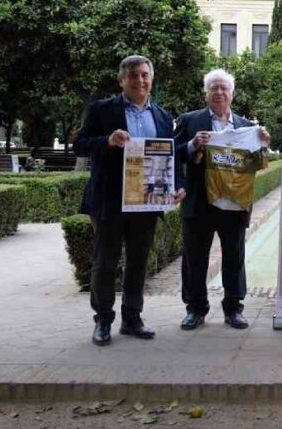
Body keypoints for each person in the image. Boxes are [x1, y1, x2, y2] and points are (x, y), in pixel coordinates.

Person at [74, 55, 186, 346]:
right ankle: (102, 321)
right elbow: (79, 145)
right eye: (133, 75)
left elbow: (171, 158)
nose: (140, 80)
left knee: (138, 263)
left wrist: (179, 186)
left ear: (152, 79)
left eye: (145, 75)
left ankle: (132, 319)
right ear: (121, 79)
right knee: (105, 263)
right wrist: (107, 141)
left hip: (146, 203)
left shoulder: (162, 116)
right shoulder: (102, 110)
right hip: (109, 201)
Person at [175, 69, 270, 330]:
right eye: (214, 88)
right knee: (195, 258)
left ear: (232, 94)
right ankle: (195, 308)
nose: (219, 93)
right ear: (206, 93)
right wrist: (193, 144)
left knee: (234, 257)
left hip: (234, 203)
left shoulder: (247, 128)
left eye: (224, 89)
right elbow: (173, 154)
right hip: (198, 202)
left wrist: (263, 145)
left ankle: (234, 308)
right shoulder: (189, 121)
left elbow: (258, 164)